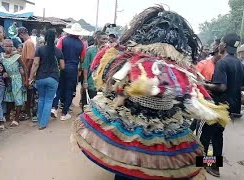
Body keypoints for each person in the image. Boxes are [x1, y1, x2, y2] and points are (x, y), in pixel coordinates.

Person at [71, 5, 227, 180]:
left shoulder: (133, 62)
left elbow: (112, 83)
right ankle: (215, 163)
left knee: (126, 167)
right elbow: (188, 100)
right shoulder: (182, 71)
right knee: (187, 155)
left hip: (132, 127)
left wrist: (122, 95)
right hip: (168, 130)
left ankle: (214, 162)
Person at [204, 33, 244, 177]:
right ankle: (215, 167)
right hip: (230, 108)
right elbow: (241, 86)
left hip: (217, 106)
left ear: (225, 45)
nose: (219, 45)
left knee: (204, 136)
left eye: (220, 42)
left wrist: (204, 84)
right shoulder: (239, 62)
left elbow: (221, 87)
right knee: (217, 136)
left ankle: (204, 165)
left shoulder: (223, 62)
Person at [29, 29, 65, 130]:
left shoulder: (40, 49)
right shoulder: (58, 51)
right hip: (53, 78)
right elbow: (62, 66)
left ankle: (40, 120)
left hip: (40, 77)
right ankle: (43, 124)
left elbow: (35, 64)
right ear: (55, 38)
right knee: (49, 100)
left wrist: (31, 77)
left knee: (41, 99)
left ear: (45, 38)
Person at [52, 23, 88, 121]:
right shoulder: (82, 44)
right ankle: (64, 113)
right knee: (69, 90)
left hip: (62, 67)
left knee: (59, 88)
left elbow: (58, 53)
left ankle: (54, 108)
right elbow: (82, 59)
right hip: (73, 69)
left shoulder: (62, 40)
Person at [2, 39, 27, 127]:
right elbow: (1, 67)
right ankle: (7, 115)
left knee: (18, 98)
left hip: (17, 79)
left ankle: (16, 119)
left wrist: (26, 80)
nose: (9, 48)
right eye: (7, 46)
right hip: (9, 79)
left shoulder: (17, 56)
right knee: (9, 98)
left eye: (11, 46)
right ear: (3, 46)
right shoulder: (2, 57)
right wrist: (4, 73)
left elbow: (24, 66)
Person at [81, 31, 108, 112]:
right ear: (98, 39)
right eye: (103, 39)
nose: (105, 41)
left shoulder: (109, 51)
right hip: (91, 82)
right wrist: (85, 82)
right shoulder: (90, 50)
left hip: (104, 83)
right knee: (88, 102)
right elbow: (85, 67)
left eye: (106, 39)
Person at [18, 27, 35, 118]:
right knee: (28, 91)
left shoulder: (28, 42)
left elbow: (30, 59)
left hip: (28, 70)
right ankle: (28, 111)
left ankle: (28, 112)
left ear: (21, 34)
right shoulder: (29, 42)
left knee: (29, 91)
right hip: (27, 69)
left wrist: (26, 71)